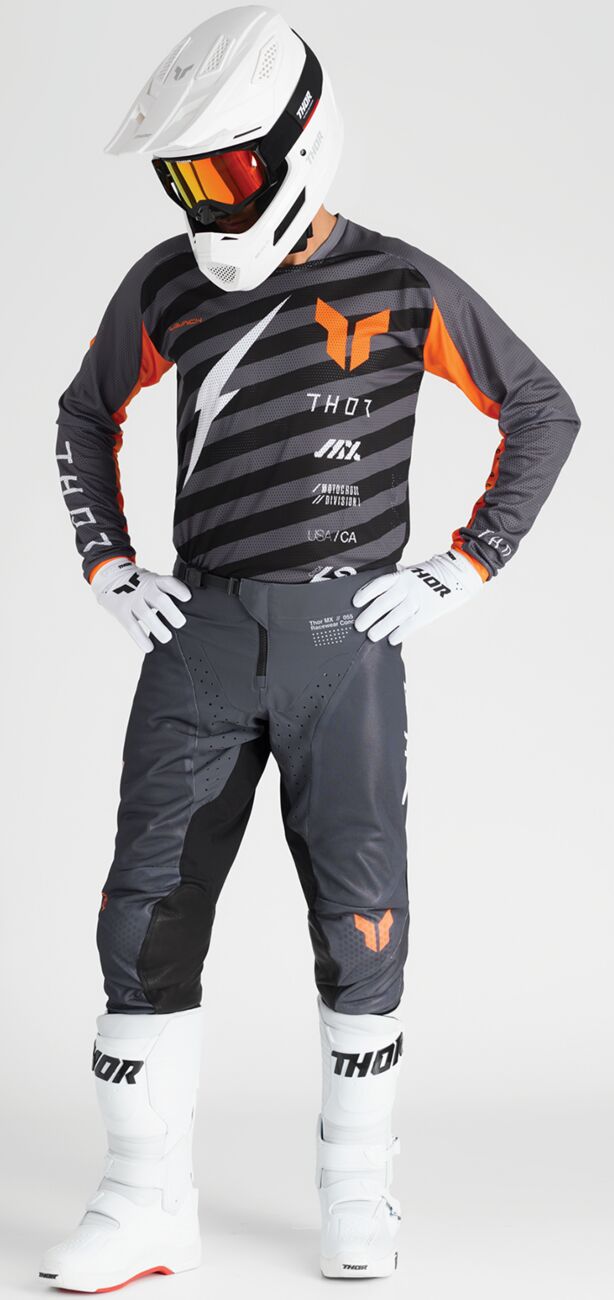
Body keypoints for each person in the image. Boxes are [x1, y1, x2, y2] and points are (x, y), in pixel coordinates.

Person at [42, 4, 580, 1290]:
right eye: (186, 179)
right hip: (201, 639)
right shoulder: (165, 284)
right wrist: (107, 563)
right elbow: (82, 414)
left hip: (347, 649)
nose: (207, 203)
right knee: (144, 909)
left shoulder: (398, 283)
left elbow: (540, 408)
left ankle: (356, 1188)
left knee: (361, 914)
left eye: (227, 170)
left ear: (298, 142)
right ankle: (140, 1197)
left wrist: (464, 564)